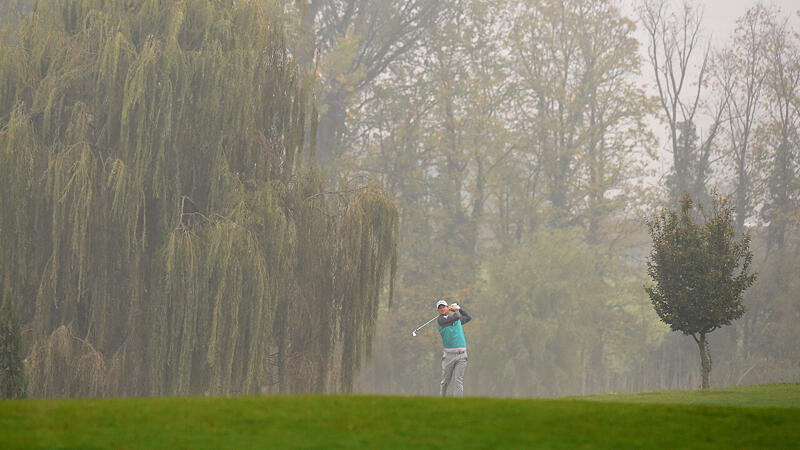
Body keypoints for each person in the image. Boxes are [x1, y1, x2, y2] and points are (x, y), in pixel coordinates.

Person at [435, 299, 472, 397]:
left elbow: (468, 317)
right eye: (440, 308)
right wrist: (456, 310)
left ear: (447, 308)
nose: (442, 309)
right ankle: (442, 400)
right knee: (445, 381)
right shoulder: (441, 320)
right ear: (438, 311)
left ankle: (457, 403)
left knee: (458, 380)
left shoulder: (457, 320)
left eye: (444, 307)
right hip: (449, 357)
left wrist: (460, 309)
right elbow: (456, 316)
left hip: (462, 356)